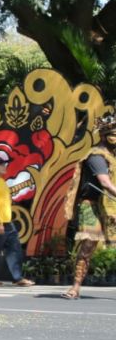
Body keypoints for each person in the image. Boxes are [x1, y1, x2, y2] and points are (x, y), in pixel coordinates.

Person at [63, 113, 116, 299]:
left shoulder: (113, 157)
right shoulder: (96, 156)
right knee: (88, 246)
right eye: (112, 134)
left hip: (112, 207)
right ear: (103, 135)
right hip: (92, 206)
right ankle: (75, 287)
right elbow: (106, 183)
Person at [0, 155, 34, 287]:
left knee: (15, 249)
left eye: (5, 164)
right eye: (1, 165)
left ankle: (17, 278)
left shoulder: (1, 181)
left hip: (8, 222)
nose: (4, 166)